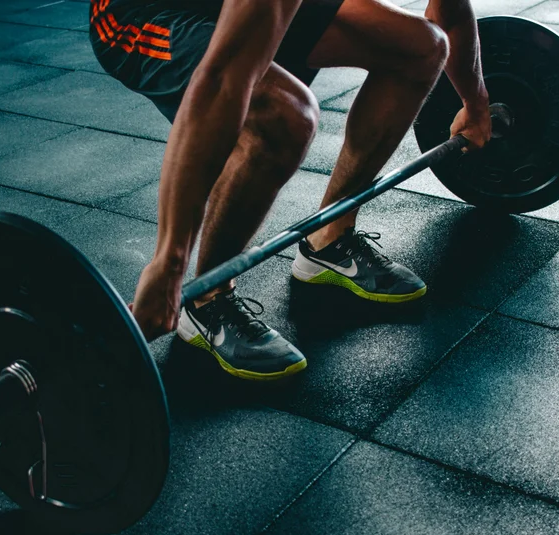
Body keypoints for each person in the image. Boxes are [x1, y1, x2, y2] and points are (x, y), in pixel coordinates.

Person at [89, 0, 491, 380]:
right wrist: (169, 263)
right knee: (286, 114)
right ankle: (207, 300)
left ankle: (329, 238)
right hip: (142, 12)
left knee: (421, 47)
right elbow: (224, 79)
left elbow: (449, 13)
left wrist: (475, 103)